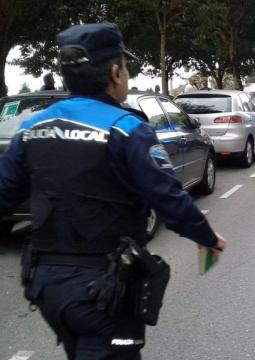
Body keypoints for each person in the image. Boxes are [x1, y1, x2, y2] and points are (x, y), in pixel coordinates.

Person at [0, 23, 226, 359]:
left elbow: (5, 193)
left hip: (46, 285)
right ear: (116, 72)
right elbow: (169, 200)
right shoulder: (127, 129)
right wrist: (208, 238)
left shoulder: (32, 127)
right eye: (126, 66)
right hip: (103, 289)